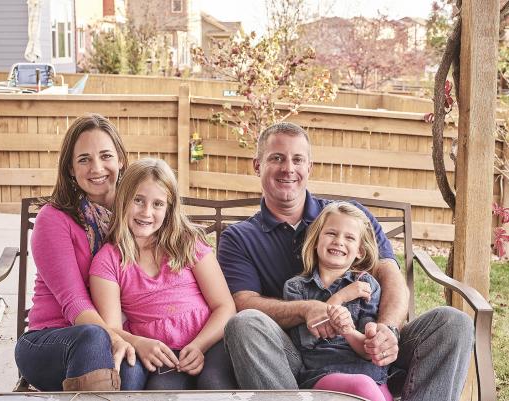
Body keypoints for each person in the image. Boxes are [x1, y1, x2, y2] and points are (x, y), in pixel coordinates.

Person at [218, 121, 474, 400]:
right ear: (257, 165)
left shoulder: (349, 217)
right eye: (276, 158)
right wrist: (306, 308)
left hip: (368, 347)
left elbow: (390, 276)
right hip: (297, 358)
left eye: (298, 159)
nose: (288, 168)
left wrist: (387, 330)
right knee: (243, 323)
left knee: (454, 322)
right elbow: (244, 302)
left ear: (309, 167)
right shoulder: (240, 237)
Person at [14, 114, 146, 391]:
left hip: (118, 336)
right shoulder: (54, 219)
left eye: (106, 156)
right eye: (84, 159)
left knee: (131, 373)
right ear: (71, 169)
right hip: (53, 340)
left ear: (121, 159)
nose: (97, 168)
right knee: (93, 337)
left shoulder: (139, 216)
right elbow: (73, 302)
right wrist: (119, 337)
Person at [89, 158, 237, 390]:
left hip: (210, 341)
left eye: (158, 204)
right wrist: (140, 344)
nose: (147, 212)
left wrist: (199, 345)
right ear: (123, 200)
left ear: (169, 209)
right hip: (161, 354)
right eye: (138, 200)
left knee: (214, 385)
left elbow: (225, 306)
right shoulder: (108, 261)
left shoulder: (187, 244)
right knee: (160, 393)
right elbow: (111, 330)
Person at [284, 201, 393, 401]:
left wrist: (348, 331)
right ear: (316, 240)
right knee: (363, 387)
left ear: (360, 250)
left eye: (349, 237)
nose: (339, 241)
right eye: (331, 233)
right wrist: (340, 297)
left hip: (371, 375)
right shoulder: (296, 287)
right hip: (323, 374)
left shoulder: (367, 285)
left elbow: (367, 351)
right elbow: (307, 344)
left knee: (370, 389)